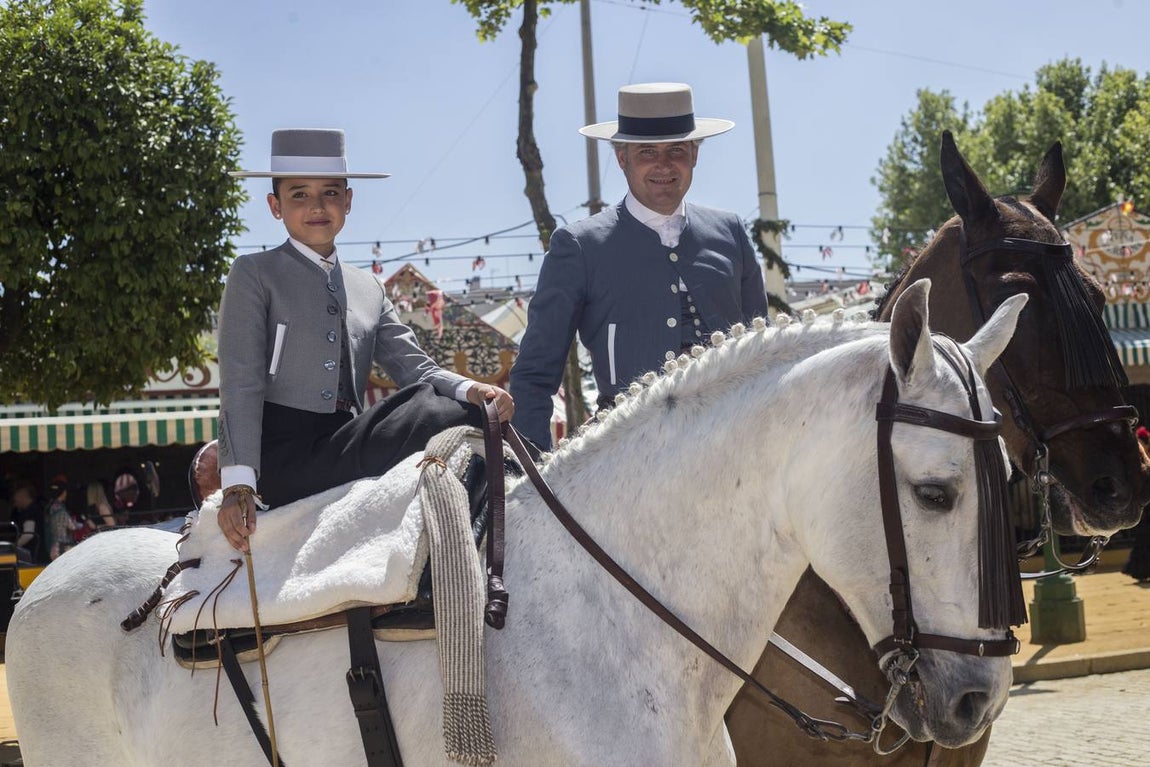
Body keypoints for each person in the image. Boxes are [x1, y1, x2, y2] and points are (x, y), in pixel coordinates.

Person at [218, 128, 513, 552]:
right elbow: (242, 383)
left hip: (348, 439)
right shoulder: (254, 273)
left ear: (349, 201)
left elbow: (418, 369)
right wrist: (238, 486)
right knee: (425, 411)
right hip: (282, 454)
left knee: (465, 410)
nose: (317, 206)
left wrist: (475, 390)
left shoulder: (368, 287)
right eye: (299, 194)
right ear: (274, 206)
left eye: (331, 193)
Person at [510, 82, 769, 450]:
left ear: (694, 154)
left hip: (735, 441)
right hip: (627, 451)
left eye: (677, 150)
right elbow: (535, 375)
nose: (663, 165)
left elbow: (764, 349)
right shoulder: (580, 246)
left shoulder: (730, 232)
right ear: (622, 158)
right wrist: (532, 474)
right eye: (647, 152)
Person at [9, 480, 45, 563]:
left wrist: (14, 547)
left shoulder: (29, 512)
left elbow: (28, 534)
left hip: (32, 555)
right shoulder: (36, 508)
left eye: (16, 497)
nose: (15, 501)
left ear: (22, 496)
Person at [44, 474, 77, 561]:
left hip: (52, 544)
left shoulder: (49, 506)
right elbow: (72, 526)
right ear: (63, 492)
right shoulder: (60, 509)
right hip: (62, 546)